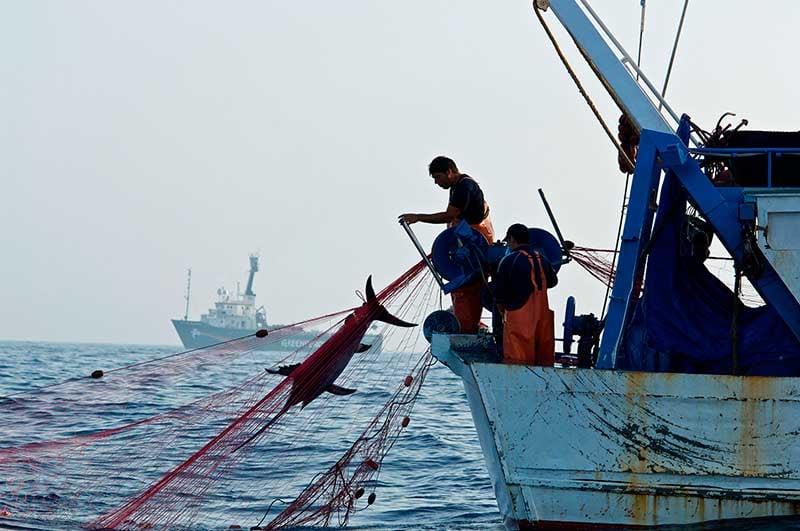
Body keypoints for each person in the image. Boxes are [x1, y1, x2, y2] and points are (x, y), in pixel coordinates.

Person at [400, 156, 495, 333]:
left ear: (449, 172)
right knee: (463, 285)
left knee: (468, 286)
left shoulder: (464, 187)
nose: (436, 182)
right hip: (468, 242)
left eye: (438, 177)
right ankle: (467, 324)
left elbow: (449, 216)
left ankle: (468, 328)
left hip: (475, 243)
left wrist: (418, 217)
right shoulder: (457, 187)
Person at [494, 223, 558, 366]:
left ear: (512, 239)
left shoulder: (509, 261)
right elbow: (553, 282)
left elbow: (499, 295)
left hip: (519, 322)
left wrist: (502, 313)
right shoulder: (542, 259)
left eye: (508, 241)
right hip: (542, 319)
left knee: (517, 363)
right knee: (543, 362)